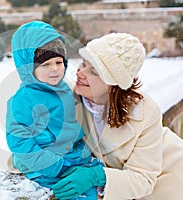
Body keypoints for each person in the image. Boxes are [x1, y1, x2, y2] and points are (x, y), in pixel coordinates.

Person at [52, 32, 183, 200]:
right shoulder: (67, 100)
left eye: (94, 72)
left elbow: (143, 178)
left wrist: (98, 176)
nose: (80, 73)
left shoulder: (146, 112)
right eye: (83, 64)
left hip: (169, 178)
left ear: (113, 86)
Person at [6, 21, 103, 199]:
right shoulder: (23, 100)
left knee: (92, 186)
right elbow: (19, 140)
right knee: (71, 193)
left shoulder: (64, 88)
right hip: (44, 165)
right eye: (45, 64)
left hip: (71, 156)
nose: (55, 69)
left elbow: (68, 122)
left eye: (59, 61)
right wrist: (51, 165)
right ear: (28, 67)